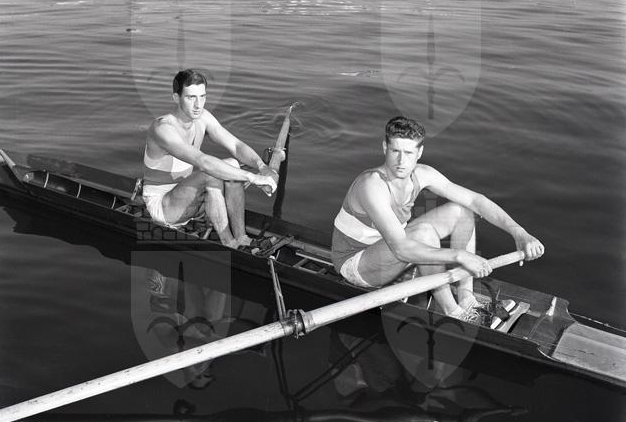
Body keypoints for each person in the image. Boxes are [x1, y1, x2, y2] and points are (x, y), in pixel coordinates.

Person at [331, 116, 544, 323]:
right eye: (395, 151)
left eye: (408, 152)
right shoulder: (372, 185)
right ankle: (454, 313)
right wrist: (460, 256)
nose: (401, 161)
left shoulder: (422, 174)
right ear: (385, 147)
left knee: (462, 211)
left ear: (420, 152)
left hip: (390, 251)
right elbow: (401, 249)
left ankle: (467, 299)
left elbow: (476, 201)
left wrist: (520, 233)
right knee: (423, 234)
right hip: (357, 264)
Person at [143, 69, 278, 249]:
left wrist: (262, 167)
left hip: (190, 197)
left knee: (232, 164)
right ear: (176, 98)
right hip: (163, 207)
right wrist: (253, 178)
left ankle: (241, 238)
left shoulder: (203, 117)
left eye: (202, 97)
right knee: (211, 174)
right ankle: (229, 244)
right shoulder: (163, 128)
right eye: (191, 97)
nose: (198, 105)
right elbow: (203, 162)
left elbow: (236, 146)